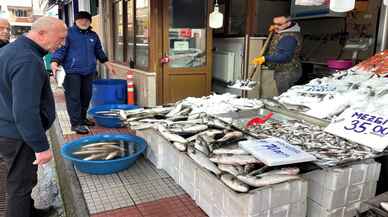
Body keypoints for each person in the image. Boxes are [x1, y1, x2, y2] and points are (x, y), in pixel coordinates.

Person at [0, 17, 67, 217]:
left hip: (8, 129)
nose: (61, 44)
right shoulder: (27, 60)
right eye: (60, 38)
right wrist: (41, 147)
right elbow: (25, 111)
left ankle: (30, 212)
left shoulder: (10, 50)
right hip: (17, 135)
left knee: (24, 180)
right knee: (19, 186)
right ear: (42, 34)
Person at [51, 11, 115, 134]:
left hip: (89, 71)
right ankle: (75, 124)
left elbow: (99, 51)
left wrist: (107, 63)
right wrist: (54, 62)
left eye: (87, 20)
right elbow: (61, 50)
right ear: (76, 21)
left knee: (86, 96)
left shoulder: (93, 35)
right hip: (72, 71)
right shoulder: (68, 34)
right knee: (74, 98)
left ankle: (82, 118)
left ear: (90, 21)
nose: (84, 22)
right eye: (81, 20)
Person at [253, 16, 303, 94]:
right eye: (274, 24)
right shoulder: (283, 32)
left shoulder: (289, 37)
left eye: (279, 24)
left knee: (285, 97)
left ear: (288, 23)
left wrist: (265, 58)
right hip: (283, 70)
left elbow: (285, 56)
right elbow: (276, 46)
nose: (276, 26)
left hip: (287, 72)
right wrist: (276, 30)